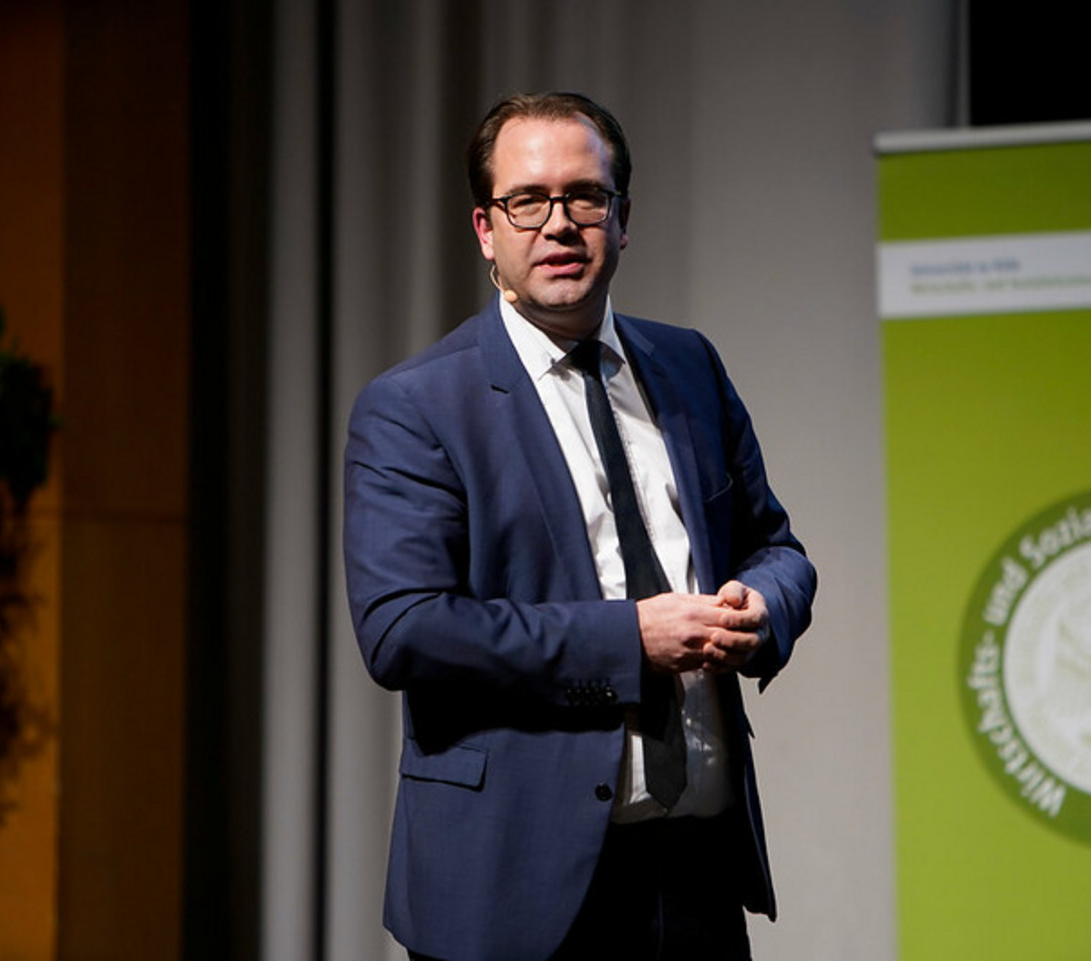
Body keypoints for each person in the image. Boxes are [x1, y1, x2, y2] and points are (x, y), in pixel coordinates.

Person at [343, 91, 816, 961]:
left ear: (623, 219)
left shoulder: (688, 365)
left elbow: (775, 546)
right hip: (513, 885)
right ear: (486, 229)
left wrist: (764, 608)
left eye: (584, 198)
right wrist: (627, 638)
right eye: (528, 201)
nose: (558, 224)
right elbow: (403, 629)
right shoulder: (415, 406)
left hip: (697, 876)